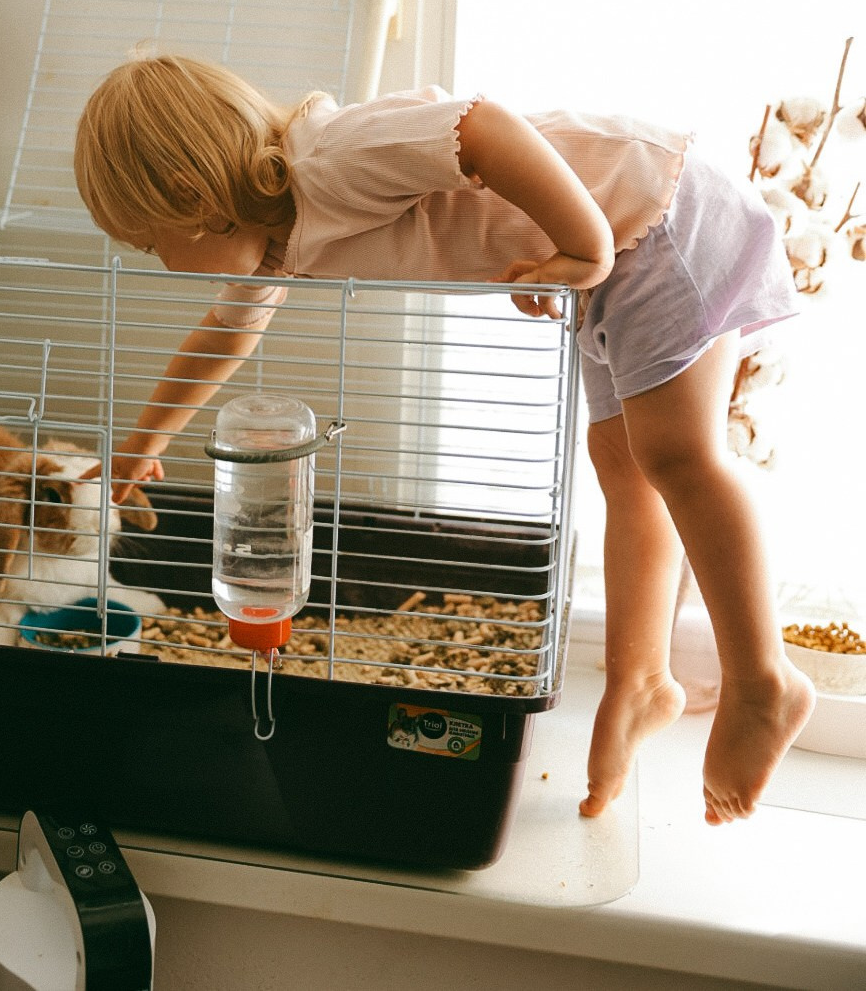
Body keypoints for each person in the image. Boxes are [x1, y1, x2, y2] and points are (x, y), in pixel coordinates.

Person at [73, 53, 815, 826]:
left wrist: (585, 242)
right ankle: (641, 680)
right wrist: (142, 442)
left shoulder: (331, 158)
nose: (160, 263)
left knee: (677, 456)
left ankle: (764, 681)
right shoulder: (276, 240)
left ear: (195, 200)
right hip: (609, 260)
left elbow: (483, 129)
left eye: (153, 243)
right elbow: (224, 336)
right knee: (625, 466)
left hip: (651, 219)